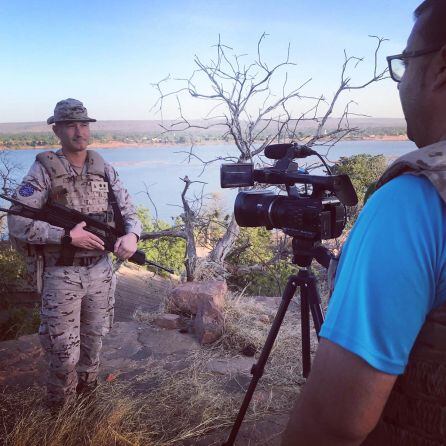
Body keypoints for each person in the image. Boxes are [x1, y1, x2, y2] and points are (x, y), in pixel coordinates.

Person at [282, 1, 446, 445]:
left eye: (404, 63)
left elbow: (332, 424)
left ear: (440, 68)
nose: (400, 81)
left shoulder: (413, 200)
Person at [7, 98, 142, 409]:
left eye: (84, 124)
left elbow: (130, 211)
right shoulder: (44, 170)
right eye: (71, 125)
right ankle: (61, 411)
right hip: (61, 274)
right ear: (57, 130)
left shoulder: (103, 169)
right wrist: (67, 235)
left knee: (94, 341)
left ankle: (87, 401)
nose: (79, 131)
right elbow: (17, 221)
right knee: (63, 351)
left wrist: (132, 236)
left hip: (99, 272)